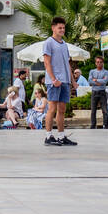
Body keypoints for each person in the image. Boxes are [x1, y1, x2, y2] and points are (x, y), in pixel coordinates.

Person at [41, 17, 77, 147]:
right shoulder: (48, 43)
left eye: (63, 27)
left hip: (65, 81)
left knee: (62, 110)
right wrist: (54, 79)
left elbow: (67, 64)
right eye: (59, 27)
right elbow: (47, 62)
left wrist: (72, 81)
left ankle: (61, 137)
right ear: (53, 28)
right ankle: (48, 137)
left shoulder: (64, 44)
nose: (62, 30)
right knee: (52, 109)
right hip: (54, 82)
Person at [88, 57, 108, 129]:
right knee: (93, 110)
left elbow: (105, 81)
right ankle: (93, 125)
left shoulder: (106, 72)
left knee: (104, 110)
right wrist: (98, 81)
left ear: (103, 63)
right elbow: (89, 81)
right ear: (95, 63)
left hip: (102, 92)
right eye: (97, 62)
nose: (99, 63)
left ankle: (106, 125)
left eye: (100, 62)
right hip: (94, 92)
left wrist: (96, 80)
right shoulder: (92, 71)